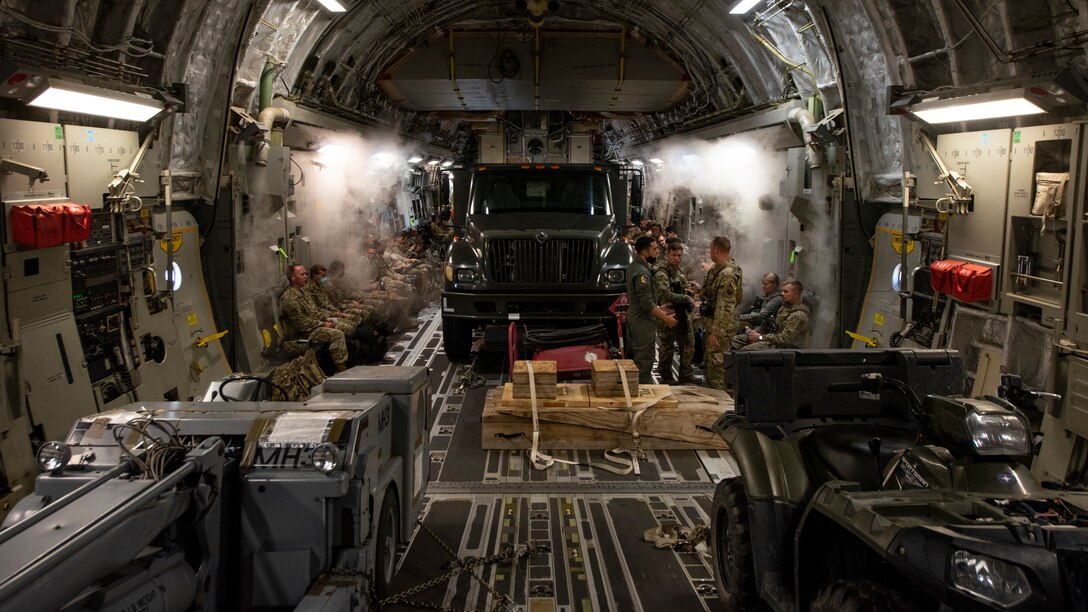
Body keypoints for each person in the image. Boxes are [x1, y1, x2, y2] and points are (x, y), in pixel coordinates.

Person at [627, 236, 677, 384]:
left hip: (638, 315)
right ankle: (643, 389)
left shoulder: (636, 266)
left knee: (639, 355)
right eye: (654, 249)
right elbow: (646, 304)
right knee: (644, 357)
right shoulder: (642, 273)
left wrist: (660, 308)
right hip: (642, 320)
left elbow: (643, 300)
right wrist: (666, 318)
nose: (658, 252)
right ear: (644, 252)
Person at [280, 264, 349, 373]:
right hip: (300, 336)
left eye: (306, 274)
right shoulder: (289, 299)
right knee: (337, 334)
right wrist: (322, 324)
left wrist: (325, 319)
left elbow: (314, 312)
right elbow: (301, 324)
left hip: (311, 328)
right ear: (293, 278)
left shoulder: (303, 292)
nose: (306, 276)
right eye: (302, 274)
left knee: (339, 326)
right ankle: (341, 370)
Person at [699, 236, 743, 390]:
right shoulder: (717, 271)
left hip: (721, 330)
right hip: (713, 325)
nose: (709, 253)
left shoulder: (727, 275)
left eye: (710, 250)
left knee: (718, 369)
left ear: (716, 251)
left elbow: (725, 307)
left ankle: (721, 403)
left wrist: (716, 333)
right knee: (711, 364)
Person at [653, 241, 698, 384]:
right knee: (667, 346)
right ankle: (666, 374)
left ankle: (686, 373)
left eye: (679, 255)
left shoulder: (678, 270)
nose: (677, 258)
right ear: (667, 254)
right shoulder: (661, 271)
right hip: (667, 313)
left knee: (688, 343)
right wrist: (685, 297)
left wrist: (690, 290)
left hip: (681, 312)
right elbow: (665, 294)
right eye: (674, 255)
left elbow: (683, 286)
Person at [736, 279, 810, 350]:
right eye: (782, 291)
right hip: (770, 339)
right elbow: (773, 325)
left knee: (745, 352)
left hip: (783, 348)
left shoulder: (799, 315)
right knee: (735, 340)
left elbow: (784, 339)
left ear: (796, 294)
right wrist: (757, 331)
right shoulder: (785, 307)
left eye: (785, 291)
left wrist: (760, 337)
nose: (782, 293)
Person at [731, 273, 783, 348]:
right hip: (760, 329)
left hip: (765, 334)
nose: (763, 287)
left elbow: (761, 315)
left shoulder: (776, 299)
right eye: (762, 284)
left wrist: (740, 317)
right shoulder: (766, 297)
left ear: (774, 284)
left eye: (766, 284)